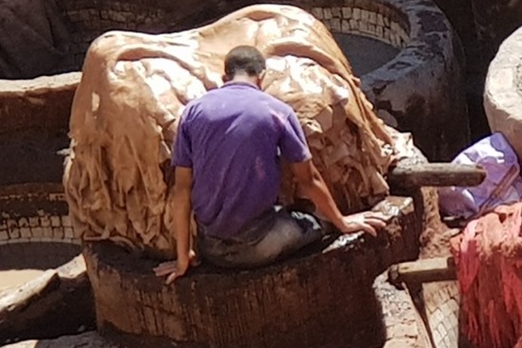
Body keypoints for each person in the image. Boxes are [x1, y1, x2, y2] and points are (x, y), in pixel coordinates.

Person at [155, 45, 387, 284]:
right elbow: (308, 179)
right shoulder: (277, 111)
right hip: (258, 246)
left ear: (225, 77)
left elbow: (182, 190)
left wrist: (183, 256)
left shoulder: (192, 112)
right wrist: (343, 222)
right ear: (262, 76)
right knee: (319, 223)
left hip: (210, 246)